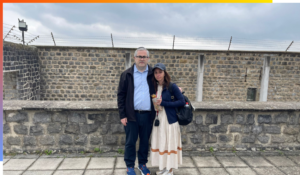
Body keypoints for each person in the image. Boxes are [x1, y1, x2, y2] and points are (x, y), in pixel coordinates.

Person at [117, 47, 156, 175]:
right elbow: (121, 96)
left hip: (147, 115)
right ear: (134, 58)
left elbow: (163, 84)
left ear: (148, 58)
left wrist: (176, 88)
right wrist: (122, 115)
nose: (142, 59)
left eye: (144, 56)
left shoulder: (153, 74)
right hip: (131, 115)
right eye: (139, 56)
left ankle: (142, 164)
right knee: (130, 142)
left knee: (145, 142)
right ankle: (129, 166)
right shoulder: (127, 74)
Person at [150, 63, 185, 175]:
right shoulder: (155, 86)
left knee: (169, 143)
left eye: (160, 72)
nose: (158, 74)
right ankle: (164, 167)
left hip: (169, 120)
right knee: (162, 143)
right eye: (156, 72)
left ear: (165, 73)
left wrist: (164, 103)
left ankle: (170, 170)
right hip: (159, 119)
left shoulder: (171, 86)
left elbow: (181, 101)